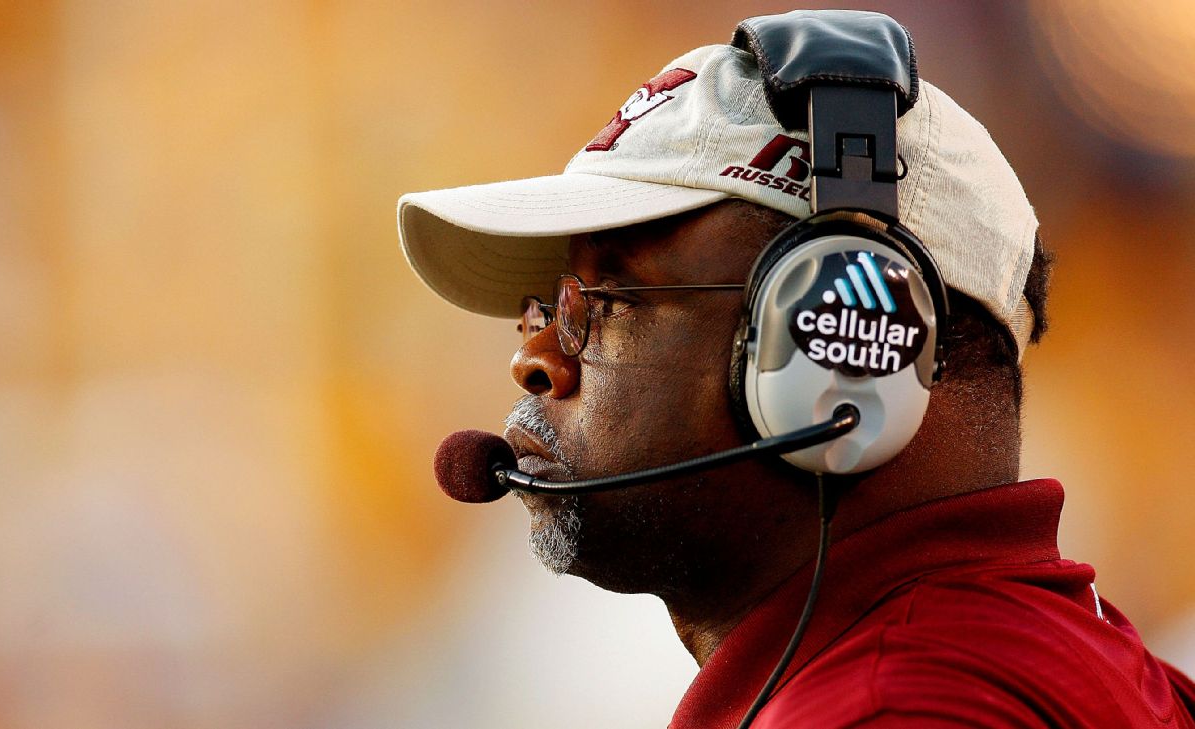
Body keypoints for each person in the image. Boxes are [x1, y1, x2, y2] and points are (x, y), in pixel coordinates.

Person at [398, 9, 1195, 728]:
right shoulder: (1053, 659)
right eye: (546, 307)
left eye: (599, 303)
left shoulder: (887, 708)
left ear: (846, 346)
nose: (532, 358)